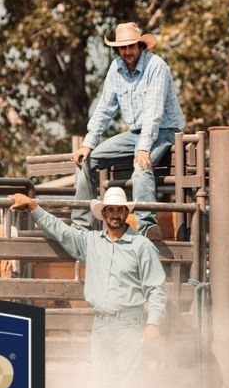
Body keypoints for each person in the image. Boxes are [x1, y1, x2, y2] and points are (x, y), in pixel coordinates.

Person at [9, 188, 166, 388]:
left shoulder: (142, 246)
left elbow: (155, 287)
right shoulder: (91, 241)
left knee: (131, 387)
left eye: (120, 210)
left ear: (126, 212)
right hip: (101, 324)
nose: (115, 214)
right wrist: (33, 207)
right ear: (103, 213)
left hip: (129, 324)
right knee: (102, 384)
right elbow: (61, 231)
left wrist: (153, 323)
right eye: (111, 210)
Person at [71, 22, 185, 239]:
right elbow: (104, 108)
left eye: (131, 46)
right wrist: (88, 143)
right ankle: (81, 225)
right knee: (86, 161)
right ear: (117, 50)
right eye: (122, 48)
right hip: (135, 134)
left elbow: (153, 113)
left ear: (140, 46)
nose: (127, 52)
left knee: (141, 167)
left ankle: (146, 227)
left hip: (164, 130)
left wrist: (143, 150)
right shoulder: (116, 68)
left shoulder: (156, 67)